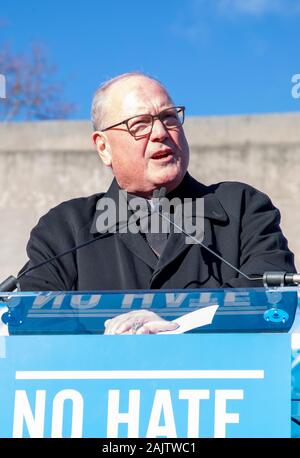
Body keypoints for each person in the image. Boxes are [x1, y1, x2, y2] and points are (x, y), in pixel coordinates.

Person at [18, 72, 296, 334]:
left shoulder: (242, 207)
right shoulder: (65, 228)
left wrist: (177, 321)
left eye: (169, 117)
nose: (161, 132)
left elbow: (273, 302)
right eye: (139, 124)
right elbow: (32, 317)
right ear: (103, 147)